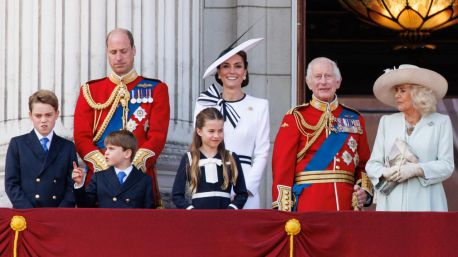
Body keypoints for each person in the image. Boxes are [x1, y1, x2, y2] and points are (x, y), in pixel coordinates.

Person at [73, 28, 170, 208]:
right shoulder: (90, 90)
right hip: (99, 180)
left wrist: (132, 167)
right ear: (107, 53)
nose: (118, 57)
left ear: (133, 51)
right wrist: (104, 167)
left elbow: (157, 136)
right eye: (113, 52)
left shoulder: (156, 89)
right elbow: (81, 137)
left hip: (139, 180)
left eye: (124, 51)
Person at [272, 57, 373, 212]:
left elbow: (364, 165)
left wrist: (363, 192)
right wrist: (283, 210)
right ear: (309, 83)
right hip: (308, 203)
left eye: (328, 76)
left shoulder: (354, 118)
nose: (323, 82)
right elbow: (282, 167)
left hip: (346, 205)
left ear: (338, 82)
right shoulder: (295, 117)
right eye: (318, 77)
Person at [194, 38, 269, 209]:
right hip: (211, 180)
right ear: (218, 73)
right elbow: (198, 145)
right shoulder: (205, 103)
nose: (232, 71)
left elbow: (262, 151)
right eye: (226, 66)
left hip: (246, 179)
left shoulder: (259, 106)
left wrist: (247, 188)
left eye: (238, 65)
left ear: (245, 72)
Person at [366, 64, 454, 211]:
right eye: (396, 91)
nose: (397, 95)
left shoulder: (441, 122)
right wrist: (384, 172)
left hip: (427, 204)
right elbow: (372, 164)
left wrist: (417, 170)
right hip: (391, 204)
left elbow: (447, 165)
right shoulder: (387, 122)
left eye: (402, 90)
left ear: (417, 93)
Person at [5, 90, 77, 208]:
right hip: (27, 214)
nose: (43, 120)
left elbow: (72, 185)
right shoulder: (17, 144)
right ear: (30, 116)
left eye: (48, 115)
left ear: (57, 114)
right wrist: (29, 212)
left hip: (58, 215)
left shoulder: (67, 147)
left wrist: (61, 212)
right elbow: (11, 184)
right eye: (38, 115)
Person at [173, 108, 248, 209]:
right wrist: (191, 211)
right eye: (211, 131)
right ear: (199, 131)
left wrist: (231, 209)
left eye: (220, 131)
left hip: (225, 220)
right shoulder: (189, 158)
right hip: (199, 220)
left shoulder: (231, 158)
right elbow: (177, 195)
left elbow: (242, 193)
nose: (216, 135)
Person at [72, 130, 153, 208]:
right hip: (106, 221)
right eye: (106, 148)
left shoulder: (144, 180)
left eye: (111, 149)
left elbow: (148, 214)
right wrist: (79, 184)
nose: (106, 152)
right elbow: (85, 206)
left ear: (127, 153)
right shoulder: (99, 177)